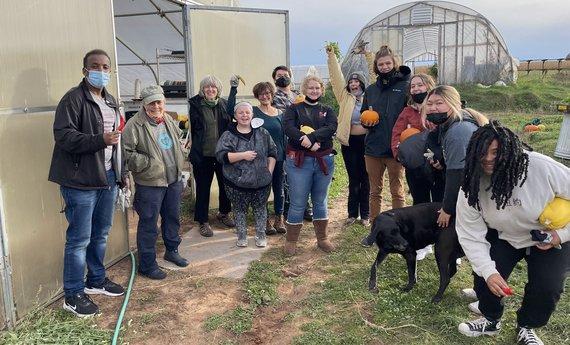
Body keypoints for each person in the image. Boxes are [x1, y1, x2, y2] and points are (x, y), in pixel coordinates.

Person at [456, 121, 569, 345]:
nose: (488, 158)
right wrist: (489, 272)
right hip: (505, 235)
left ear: (510, 150)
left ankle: (527, 326)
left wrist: (561, 235)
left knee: (548, 287)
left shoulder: (540, 167)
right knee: (484, 278)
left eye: (496, 152)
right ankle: (490, 320)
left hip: (550, 234)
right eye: (482, 152)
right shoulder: (471, 186)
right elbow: (470, 234)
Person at [48, 49, 125, 317]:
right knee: (79, 239)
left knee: (101, 232)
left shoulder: (111, 101)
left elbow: (117, 142)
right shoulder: (73, 99)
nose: (101, 71)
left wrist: (120, 173)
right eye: (95, 66)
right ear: (85, 70)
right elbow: (64, 136)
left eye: (106, 66)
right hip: (80, 180)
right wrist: (99, 140)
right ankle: (73, 294)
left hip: (107, 177)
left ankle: (96, 280)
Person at [122, 85, 189, 280]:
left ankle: (172, 250)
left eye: (159, 102)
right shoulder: (134, 125)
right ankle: (147, 264)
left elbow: (176, 141)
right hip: (150, 182)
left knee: (172, 217)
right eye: (152, 102)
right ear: (144, 104)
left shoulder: (167, 119)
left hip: (173, 179)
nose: (156, 106)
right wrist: (148, 163)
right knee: (149, 223)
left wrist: (182, 153)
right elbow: (126, 153)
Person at [282, 75, 338, 255]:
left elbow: (331, 127)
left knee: (320, 200)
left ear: (321, 90)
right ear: (304, 89)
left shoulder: (327, 110)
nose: (314, 91)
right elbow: (288, 127)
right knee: (298, 201)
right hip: (299, 162)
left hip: (324, 160)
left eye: (317, 88)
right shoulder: (294, 109)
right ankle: (291, 241)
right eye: (310, 88)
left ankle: (322, 239)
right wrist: (302, 139)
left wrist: (312, 138)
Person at [422, 85, 488, 229]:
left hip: (483, 192)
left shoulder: (458, 132)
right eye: (429, 104)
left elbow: (457, 174)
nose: (433, 108)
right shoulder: (447, 126)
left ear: (454, 104)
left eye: (439, 103)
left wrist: (447, 209)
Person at [390, 73, 441, 260]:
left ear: (429, 86)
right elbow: (396, 135)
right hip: (415, 166)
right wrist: (400, 155)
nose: (416, 89)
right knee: (420, 204)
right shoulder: (407, 112)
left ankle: (444, 242)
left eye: (420, 85)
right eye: (413, 86)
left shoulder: (437, 109)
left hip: (438, 166)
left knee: (440, 203)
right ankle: (423, 243)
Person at [215, 102, 277, 247]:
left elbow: (273, 152)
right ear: (235, 116)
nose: (244, 115)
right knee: (239, 209)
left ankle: (261, 235)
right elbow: (221, 156)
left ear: (252, 115)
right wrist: (242, 155)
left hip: (261, 182)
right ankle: (242, 236)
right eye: (241, 113)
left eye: (247, 112)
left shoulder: (262, 133)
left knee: (260, 209)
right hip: (236, 183)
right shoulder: (228, 135)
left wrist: (269, 171)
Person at [360, 45, 410, 220]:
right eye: (380, 64)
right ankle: (375, 226)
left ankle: (399, 224)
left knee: (397, 190)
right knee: (375, 191)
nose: (384, 67)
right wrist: (366, 120)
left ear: (394, 63)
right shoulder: (371, 90)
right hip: (373, 148)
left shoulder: (405, 87)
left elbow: (411, 114)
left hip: (396, 148)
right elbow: (364, 113)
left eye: (388, 63)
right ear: (376, 66)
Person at [326, 44, 370, 226]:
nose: (353, 84)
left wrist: (368, 55)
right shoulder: (344, 97)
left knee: (366, 177)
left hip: (367, 142)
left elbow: (375, 75)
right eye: (351, 82)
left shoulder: (371, 96)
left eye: (356, 81)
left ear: (362, 83)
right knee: (354, 178)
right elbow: (336, 79)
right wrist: (331, 57)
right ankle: (352, 214)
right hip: (349, 142)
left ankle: (366, 215)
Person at [188, 75, 237, 237]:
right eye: (207, 87)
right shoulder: (196, 105)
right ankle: (203, 221)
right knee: (203, 188)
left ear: (218, 90)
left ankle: (224, 213)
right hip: (203, 155)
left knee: (225, 186)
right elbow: (193, 128)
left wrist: (233, 90)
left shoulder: (223, 104)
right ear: (202, 90)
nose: (210, 89)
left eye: (213, 87)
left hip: (222, 155)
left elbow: (232, 120)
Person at [271, 65, 313, 220]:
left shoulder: (298, 95)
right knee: (287, 176)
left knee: (304, 173)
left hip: (302, 140)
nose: (282, 77)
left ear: (290, 76)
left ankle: (306, 207)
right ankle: (289, 208)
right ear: (274, 79)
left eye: (285, 74)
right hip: (285, 141)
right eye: (278, 75)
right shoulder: (273, 97)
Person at [252, 82, 287, 234]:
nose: (264, 96)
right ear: (257, 96)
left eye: (267, 93)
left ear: (272, 95)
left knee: (279, 188)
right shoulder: (253, 111)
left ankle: (279, 218)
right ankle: (264, 220)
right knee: (263, 189)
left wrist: (286, 154)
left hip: (278, 156)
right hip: (261, 158)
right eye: (261, 94)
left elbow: (283, 136)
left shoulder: (280, 113)